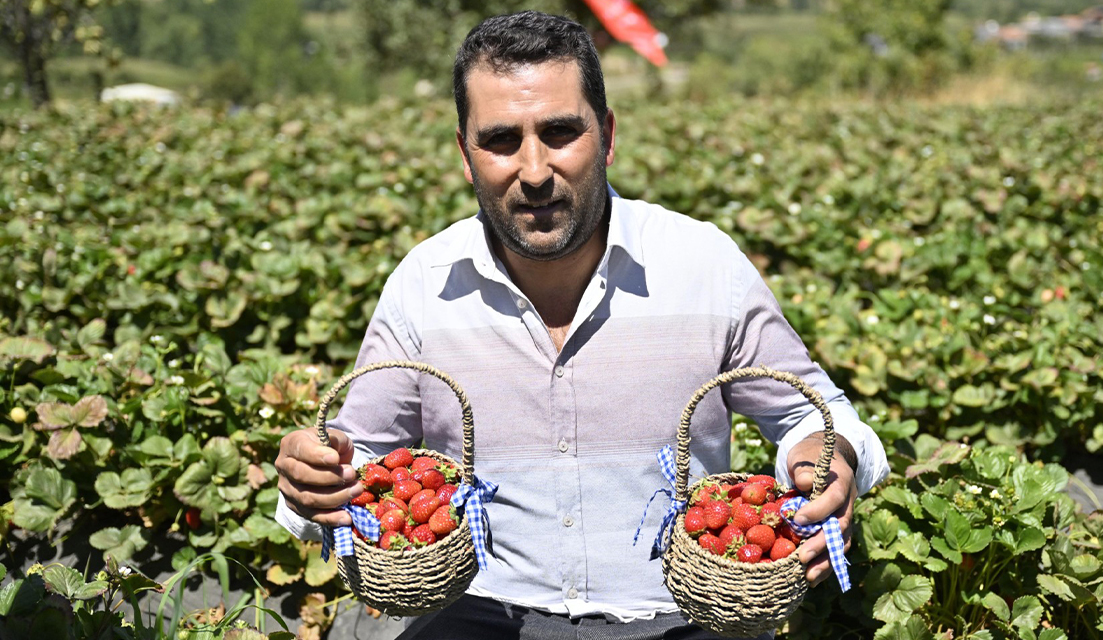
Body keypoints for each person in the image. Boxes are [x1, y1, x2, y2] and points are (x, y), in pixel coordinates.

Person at [274, 10, 889, 640]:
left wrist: (828, 456)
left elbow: (816, 418)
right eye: (501, 140)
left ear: (608, 135)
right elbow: (359, 455)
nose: (535, 171)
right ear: (465, 154)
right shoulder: (425, 285)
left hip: (682, 617)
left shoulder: (704, 266)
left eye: (561, 132)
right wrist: (315, 476)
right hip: (479, 614)